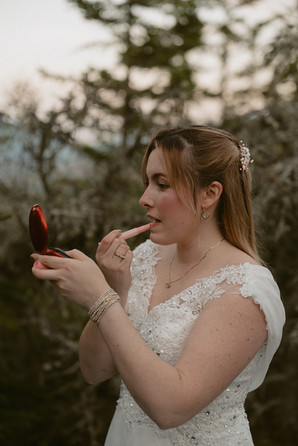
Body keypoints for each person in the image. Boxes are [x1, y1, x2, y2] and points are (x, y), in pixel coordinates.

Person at [31, 125, 285, 446]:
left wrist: (100, 298)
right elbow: (93, 370)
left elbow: (170, 409)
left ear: (210, 194)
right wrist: (116, 288)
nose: (144, 199)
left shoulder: (243, 288)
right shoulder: (148, 255)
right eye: (147, 182)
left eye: (161, 184)